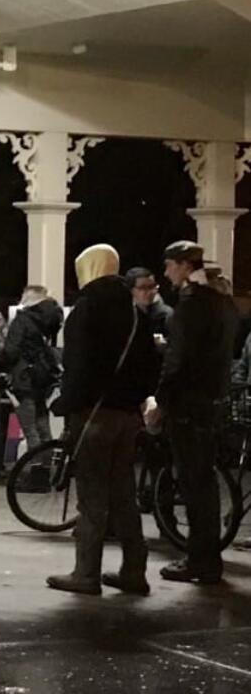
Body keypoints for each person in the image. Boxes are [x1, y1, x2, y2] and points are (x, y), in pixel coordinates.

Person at [46, 244, 156, 596]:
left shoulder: (85, 310)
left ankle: (86, 573)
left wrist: (66, 403)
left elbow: (79, 368)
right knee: (123, 493)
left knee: (92, 495)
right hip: (127, 416)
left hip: (93, 415)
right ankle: (134, 570)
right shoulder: (136, 312)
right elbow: (148, 368)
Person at [156, 240, 238, 585]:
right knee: (203, 483)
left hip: (188, 404)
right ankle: (207, 559)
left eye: (169, 265)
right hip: (212, 400)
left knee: (193, 483)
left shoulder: (190, 306)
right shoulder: (223, 303)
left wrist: (160, 399)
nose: (166, 273)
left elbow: (178, 362)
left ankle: (199, 560)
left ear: (183, 266)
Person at [0, 287, 64, 451]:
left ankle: (35, 469)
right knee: (43, 424)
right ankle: (47, 468)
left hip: (24, 379)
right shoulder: (51, 319)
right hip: (42, 377)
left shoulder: (22, 320)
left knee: (30, 430)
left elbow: (11, 351)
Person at [126, 266, 172, 345]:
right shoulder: (127, 315)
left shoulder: (166, 315)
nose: (150, 292)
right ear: (131, 290)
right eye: (143, 288)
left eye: (152, 287)